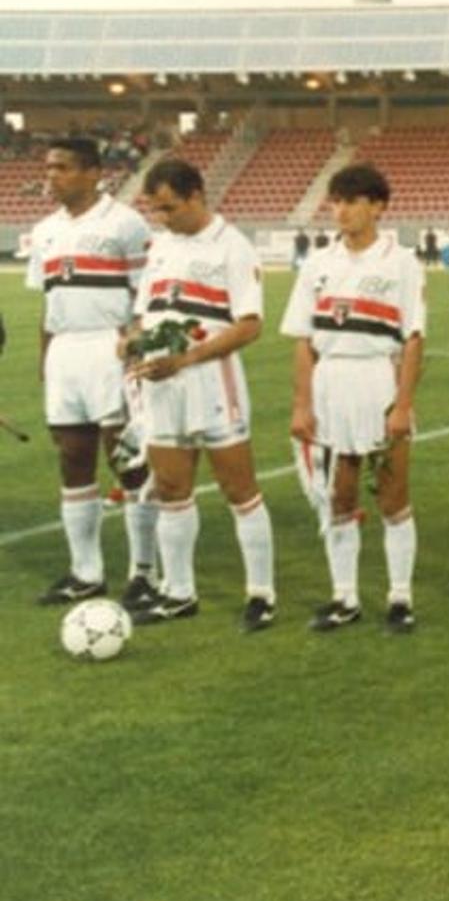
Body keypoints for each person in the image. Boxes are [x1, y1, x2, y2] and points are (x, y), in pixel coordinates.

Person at [126, 158, 278, 629]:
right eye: (156, 210)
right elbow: (144, 313)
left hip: (212, 381)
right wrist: (133, 344)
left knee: (239, 489)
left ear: (196, 196)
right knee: (171, 489)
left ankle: (261, 594)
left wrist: (188, 359)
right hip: (162, 383)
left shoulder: (231, 246)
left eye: (169, 208)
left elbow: (250, 325)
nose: (163, 218)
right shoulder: (161, 247)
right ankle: (179, 591)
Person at [282, 164, 427, 634]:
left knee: (391, 493)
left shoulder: (401, 262)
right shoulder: (318, 263)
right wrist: (302, 404)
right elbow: (303, 339)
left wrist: (403, 405)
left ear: (377, 206)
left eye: (351, 201)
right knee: (339, 495)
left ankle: (400, 597)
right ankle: (344, 597)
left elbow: (413, 340)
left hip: (376, 380)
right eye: (336, 201)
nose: (341, 211)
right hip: (331, 383)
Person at [26, 137, 159, 609]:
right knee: (72, 456)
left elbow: (147, 295)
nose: (52, 176)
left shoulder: (125, 223)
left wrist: (136, 343)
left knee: (127, 458)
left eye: (61, 167)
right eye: (49, 167)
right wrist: (46, 360)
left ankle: (144, 571)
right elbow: (49, 302)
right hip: (66, 351)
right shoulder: (44, 230)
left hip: (111, 347)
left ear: (91, 172)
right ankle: (86, 572)